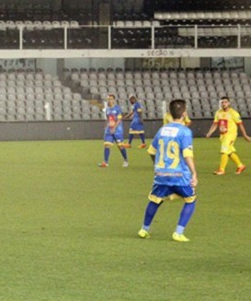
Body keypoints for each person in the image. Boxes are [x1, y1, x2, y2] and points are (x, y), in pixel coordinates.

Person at [138, 99, 198, 242]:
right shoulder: (185, 131)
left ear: (170, 113)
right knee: (191, 200)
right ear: (184, 113)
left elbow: (151, 151)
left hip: (161, 174)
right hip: (179, 175)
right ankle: (178, 232)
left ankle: (144, 229)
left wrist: (157, 166)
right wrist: (194, 173)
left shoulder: (162, 130)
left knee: (155, 200)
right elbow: (187, 154)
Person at [205, 96, 251, 175]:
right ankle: (240, 165)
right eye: (222, 102)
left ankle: (221, 169)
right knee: (229, 152)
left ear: (229, 103)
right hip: (223, 135)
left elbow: (240, 124)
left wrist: (245, 135)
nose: (224, 104)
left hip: (230, 135)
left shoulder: (233, 113)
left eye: (225, 102)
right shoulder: (218, 113)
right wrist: (210, 132)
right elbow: (215, 124)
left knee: (224, 150)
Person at [99, 93, 129, 168]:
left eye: (111, 99)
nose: (110, 100)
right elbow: (107, 119)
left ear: (114, 100)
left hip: (117, 130)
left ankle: (125, 160)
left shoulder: (117, 108)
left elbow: (119, 120)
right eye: (108, 99)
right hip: (109, 130)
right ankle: (105, 162)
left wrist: (114, 128)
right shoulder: (107, 109)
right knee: (107, 145)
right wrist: (106, 127)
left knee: (120, 146)